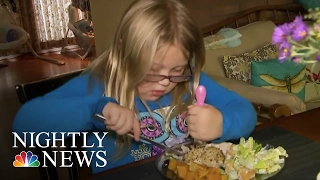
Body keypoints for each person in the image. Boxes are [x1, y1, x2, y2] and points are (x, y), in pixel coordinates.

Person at [12, 0, 257, 174]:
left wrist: (223, 123)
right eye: (150, 72)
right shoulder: (100, 84)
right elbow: (24, 126)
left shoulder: (193, 80)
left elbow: (246, 111)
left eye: (177, 71)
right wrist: (95, 111)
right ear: (124, 51)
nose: (164, 82)